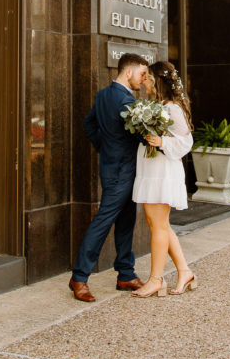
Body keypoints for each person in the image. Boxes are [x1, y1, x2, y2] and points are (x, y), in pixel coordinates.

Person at [69, 53, 149, 302]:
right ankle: (79, 277)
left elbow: (88, 123)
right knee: (103, 222)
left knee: (126, 221)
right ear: (128, 72)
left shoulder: (104, 94)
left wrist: (103, 148)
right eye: (142, 73)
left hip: (117, 168)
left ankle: (126, 273)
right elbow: (138, 135)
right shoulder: (125, 100)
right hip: (120, 172)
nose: (143, 79)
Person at [131, 60, 196, 298]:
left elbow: (186, 141)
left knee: (157, 225)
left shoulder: (171, 108)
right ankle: (185, 271)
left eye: (148, 77)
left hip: (163, 172)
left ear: (157, 81)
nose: (145, 81)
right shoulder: (155, 106)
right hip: (152, 169)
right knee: (158, 225)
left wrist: (162, 142)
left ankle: (156, 280)